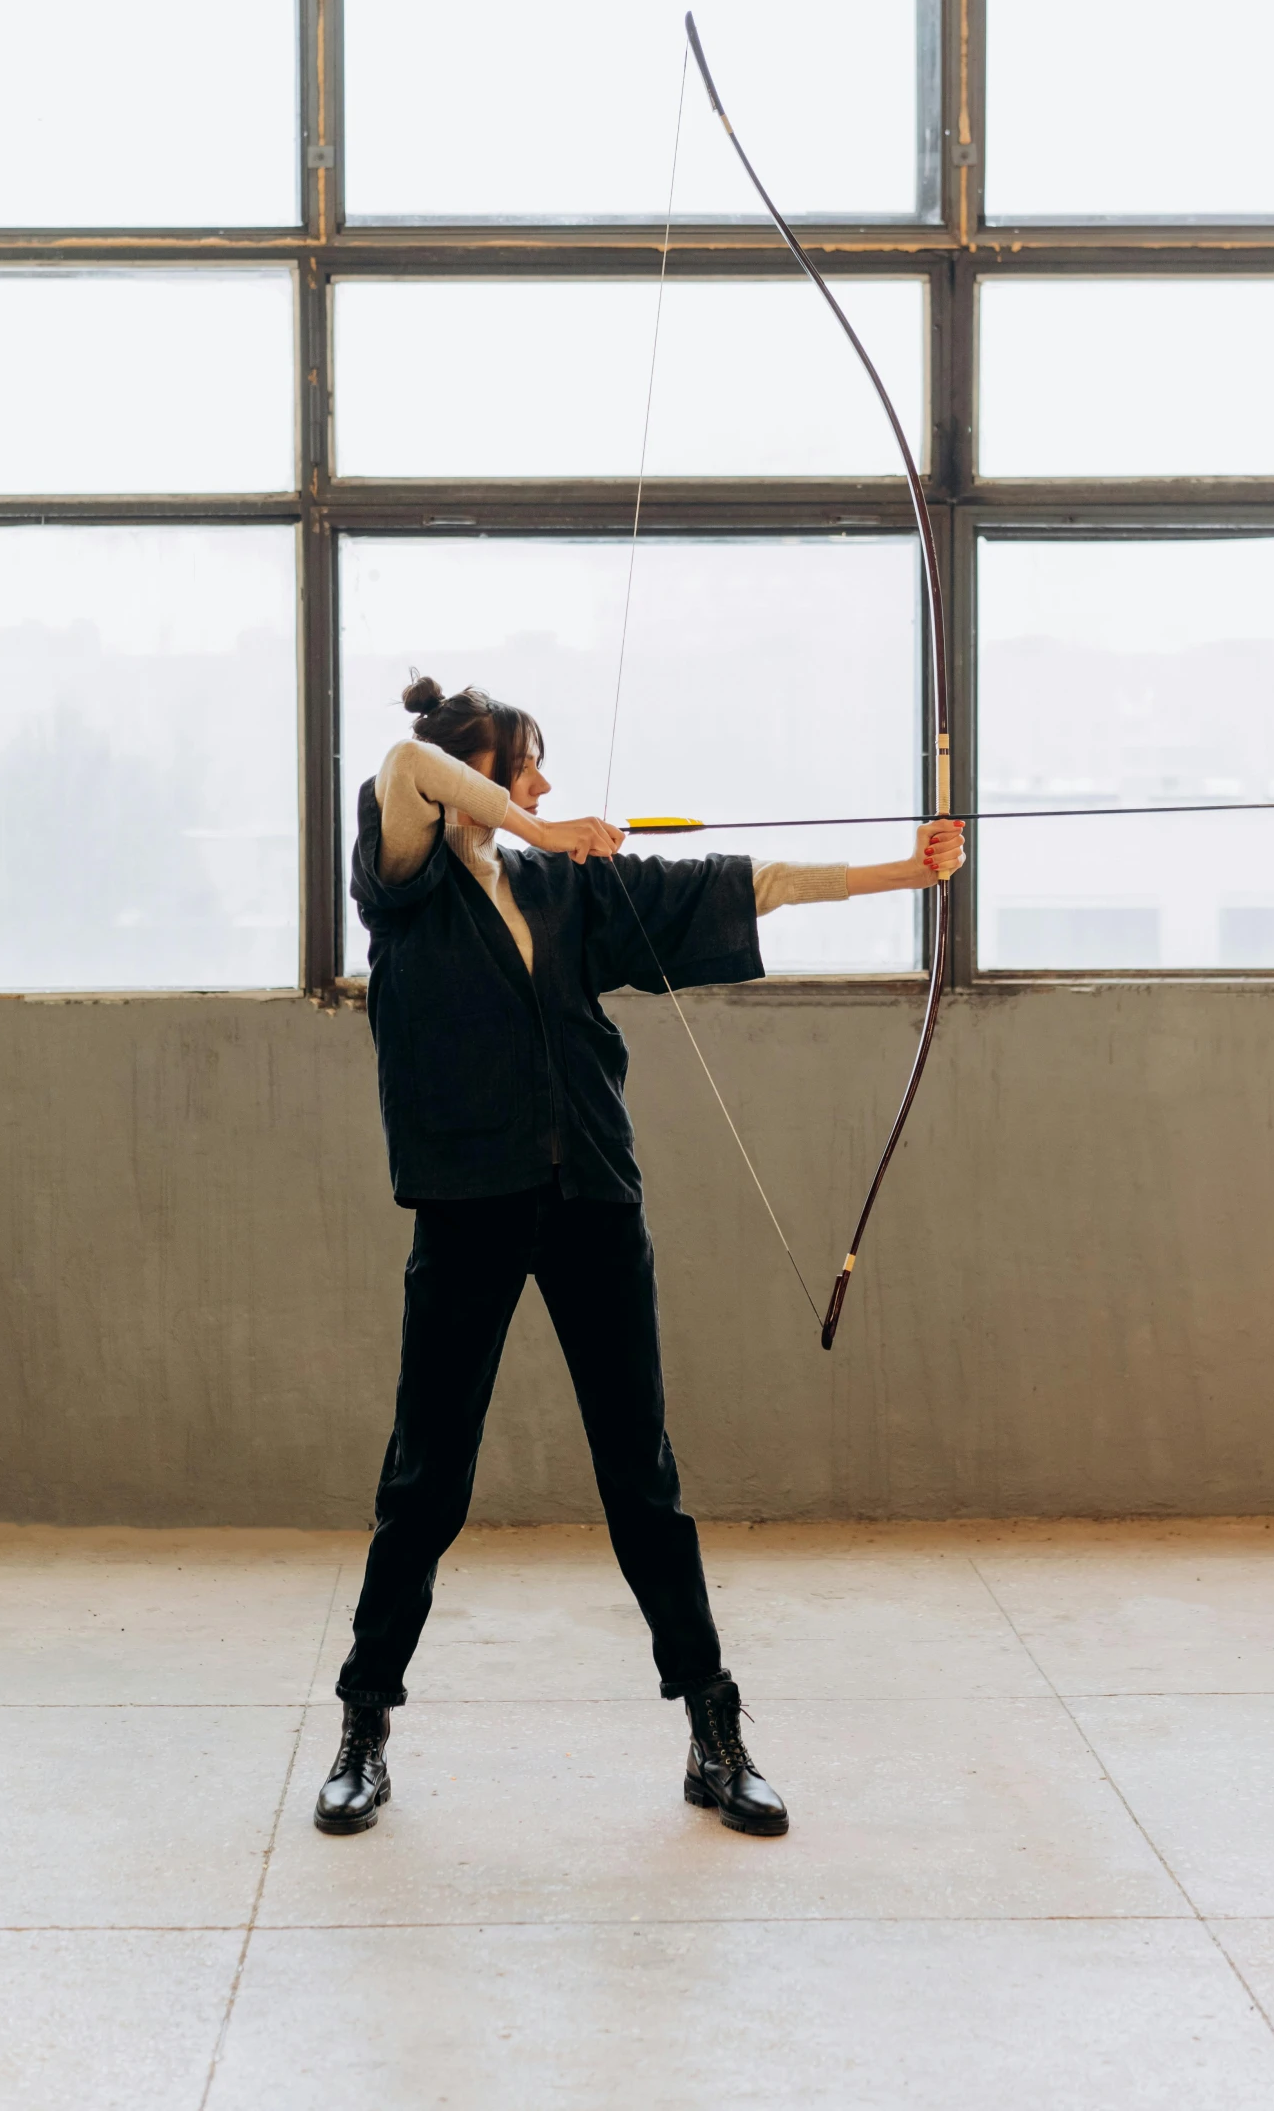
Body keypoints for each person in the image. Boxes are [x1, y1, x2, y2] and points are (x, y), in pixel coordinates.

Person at [316, 673, 966, 1841]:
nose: (545, 785)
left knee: (641, 1478)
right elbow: (408, 772)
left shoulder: (564, 890)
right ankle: (363, 1729)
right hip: (467, 1203)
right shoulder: (400, 878)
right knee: (426, 1480)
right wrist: (537, 827)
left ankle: (713, 1735)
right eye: (526, 766)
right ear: (481, 773)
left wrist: (905, 873)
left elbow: (745, 883)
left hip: (591, 1201)